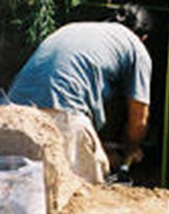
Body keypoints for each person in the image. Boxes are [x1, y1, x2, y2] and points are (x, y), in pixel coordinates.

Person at [8, 3, 153, 184]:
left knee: (19, 190)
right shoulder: (136, 48)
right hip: (60, 115)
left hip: (11, 113)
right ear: (143, 38)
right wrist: (131, 150)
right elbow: (139, 120)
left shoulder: (75, 29)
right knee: (81, 194)